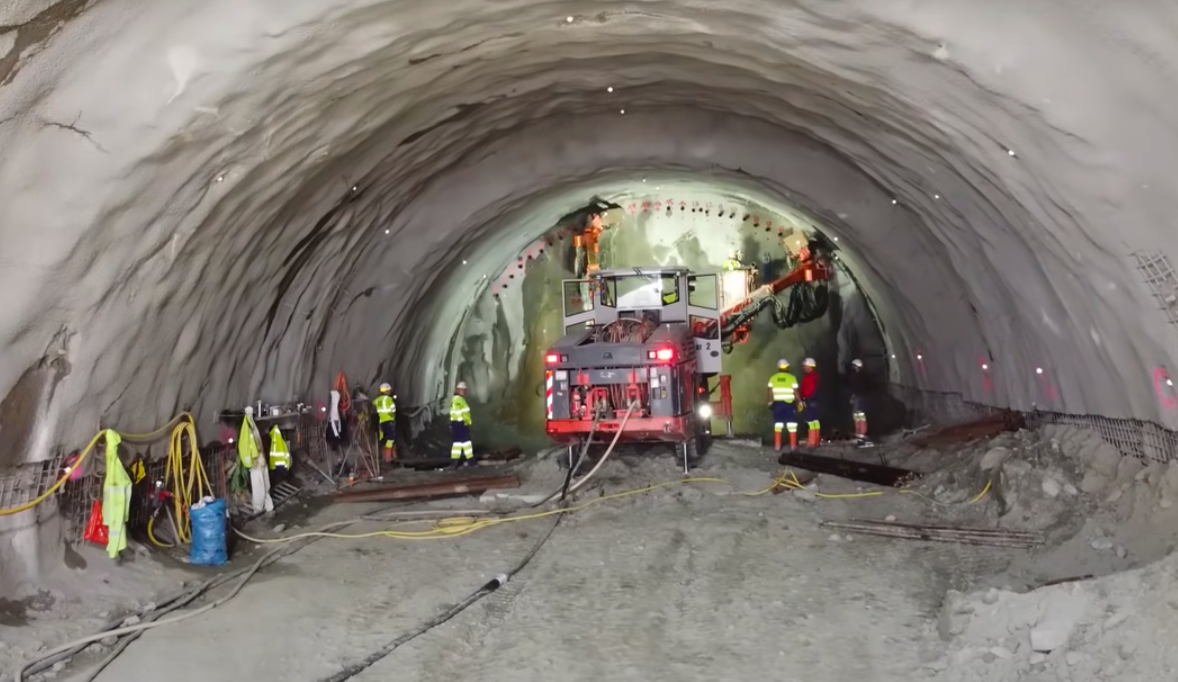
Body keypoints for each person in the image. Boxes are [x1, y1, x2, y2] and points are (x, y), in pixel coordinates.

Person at [238, 406, 273, 513]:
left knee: (265, 485)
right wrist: (252, 460)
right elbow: (246, 447)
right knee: (259, 487)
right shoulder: (247, 428)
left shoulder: (251, 426)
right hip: (255, 462)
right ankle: (259, 508)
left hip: (260, 460)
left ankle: (268, 507)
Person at [767, 359, 800, 451]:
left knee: (778, 425)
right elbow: (795, 392)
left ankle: (777, 446)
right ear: (787, 367)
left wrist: (769, 402)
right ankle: (793, 446)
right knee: (792, 425)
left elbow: (770, 391)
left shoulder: (773, 378)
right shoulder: (791, 378)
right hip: (789, 404)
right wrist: (799, 402)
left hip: (777, 404)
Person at [450, 381, 474, 467]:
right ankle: (471, 463)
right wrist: (463, 421)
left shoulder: (458, 399)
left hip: (459, 424)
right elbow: (459, 411)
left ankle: (455, 463)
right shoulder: (458, 400)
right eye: (462, 390)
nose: (464, 392)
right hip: (460, 424)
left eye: (464, 390)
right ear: (458, 390)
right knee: (464, 443)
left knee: (460, 443)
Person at [799, 357, 821, 447]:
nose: (804, 368)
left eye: (805, 366)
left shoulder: (808, 377)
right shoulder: (816, 376)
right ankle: (816, 440)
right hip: (816, 401)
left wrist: (803, 398)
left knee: (810, 421)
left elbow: (807, 390)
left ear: (810, 366)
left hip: (809, 400)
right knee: (815, 421)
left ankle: (812, 441)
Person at [373, 382, 397, 463]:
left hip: (382, 422)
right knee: (391, 438)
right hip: (389, 421)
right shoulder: (389, 399)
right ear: (387, 391)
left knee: (384, 439)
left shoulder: (377, 400)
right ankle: (388, 457)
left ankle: (383, 457)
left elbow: (373, 404)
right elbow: (393, 410)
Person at [848, 358, 869, 443]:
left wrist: (854, 396)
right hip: (859, 397)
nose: (853, 368)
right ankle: (859, 432)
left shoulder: (860, 377)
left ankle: (861, 433)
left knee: (859, 415)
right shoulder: (859, 376)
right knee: (857, 415)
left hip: (860, 398)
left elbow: (858, 388)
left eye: (854, 366)